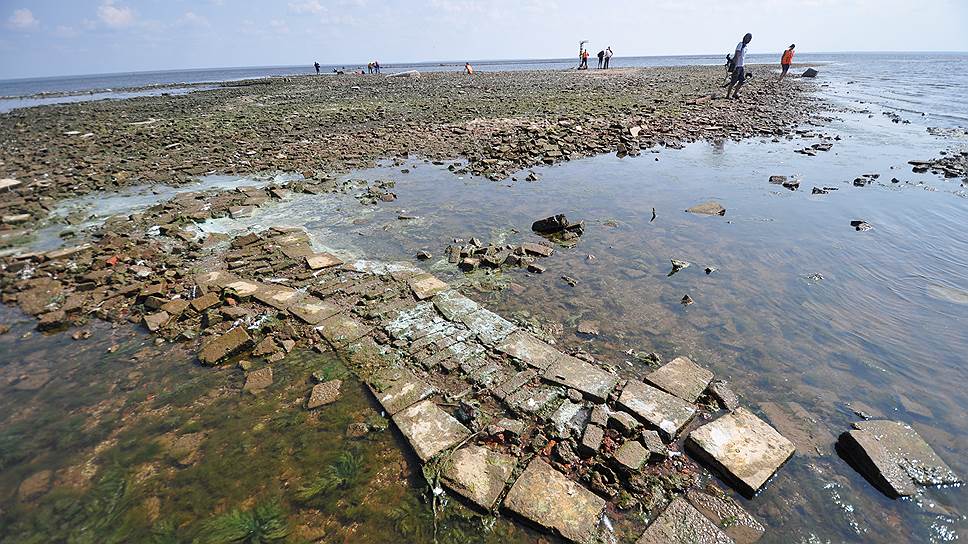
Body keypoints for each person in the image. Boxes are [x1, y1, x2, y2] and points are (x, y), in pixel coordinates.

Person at [726, 33, 752, 99]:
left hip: (741, 66)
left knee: (742, 81)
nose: (748, 39)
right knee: (733, 82)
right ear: (744, 37)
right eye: (747, 38)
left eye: (750, 38)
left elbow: (742, 57)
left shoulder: (745, 47)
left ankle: (735, 94)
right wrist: (734, 66)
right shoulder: (740, 45)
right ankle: (728, 95)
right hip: (737, 66)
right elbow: (737, 55)